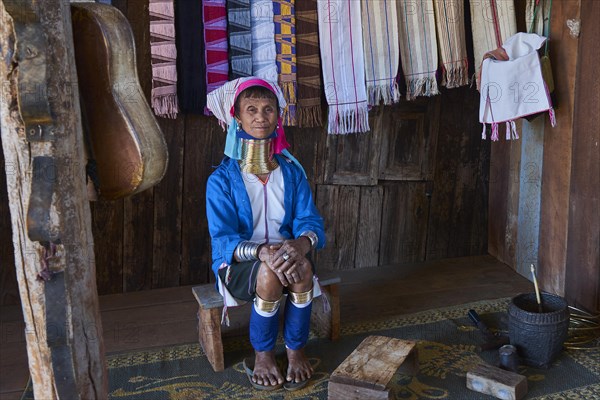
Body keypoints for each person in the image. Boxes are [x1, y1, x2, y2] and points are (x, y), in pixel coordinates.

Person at [205, 77, 325, 391]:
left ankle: (296, 350)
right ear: (237, 117)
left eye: (268, 109)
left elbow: (310, 220)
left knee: (302, 268)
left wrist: (300, 244)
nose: (261, 116)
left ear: (278, 117)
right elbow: (222, 239)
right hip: (239, 265)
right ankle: (263, 355)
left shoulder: (291, 171)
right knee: (270, 275)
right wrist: (261, 253)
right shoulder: (221, 180)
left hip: (286, 255)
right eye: (252, 109)